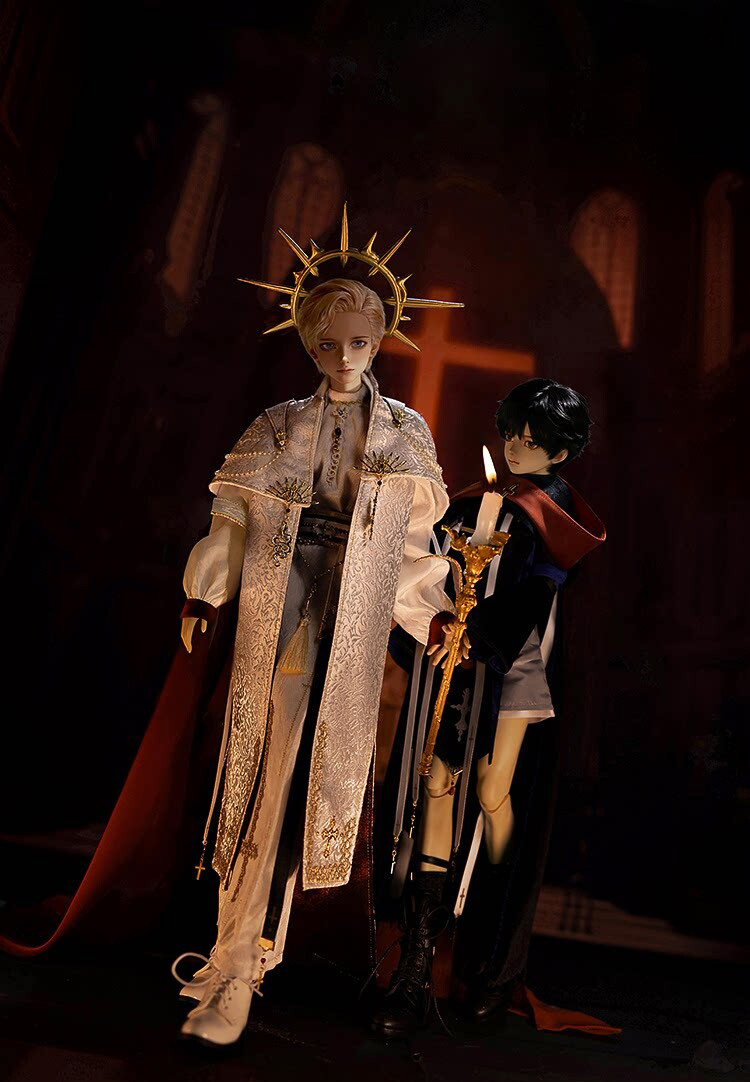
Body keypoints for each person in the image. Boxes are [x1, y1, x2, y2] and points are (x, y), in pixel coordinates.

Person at [174, 268, 455, 1047]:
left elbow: (411, 550)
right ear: (307, 343)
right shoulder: (279, 426)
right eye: (328, 344)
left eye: (360, 342)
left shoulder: (403, 434)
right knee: (267, 781)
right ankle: (234, 962)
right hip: (284, 618)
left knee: (313, 790)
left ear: (380, 341)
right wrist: (207, 589)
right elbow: (234, 512)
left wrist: (432, 613)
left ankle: (259, 953)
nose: (344, 358)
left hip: (353, 627)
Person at [372, 377, 605, 1038]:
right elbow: (425, 574)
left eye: (533, 440)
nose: (516, 447)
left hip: (513, 680)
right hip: (449, 673)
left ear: (561, 451)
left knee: (498, 809)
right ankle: (415, 968)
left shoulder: (556, 515)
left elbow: (537, 598)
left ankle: (490, 973)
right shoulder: (472, 500)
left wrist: (479, 637)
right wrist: (425, 628)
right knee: (432, 798)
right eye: (512, 434)